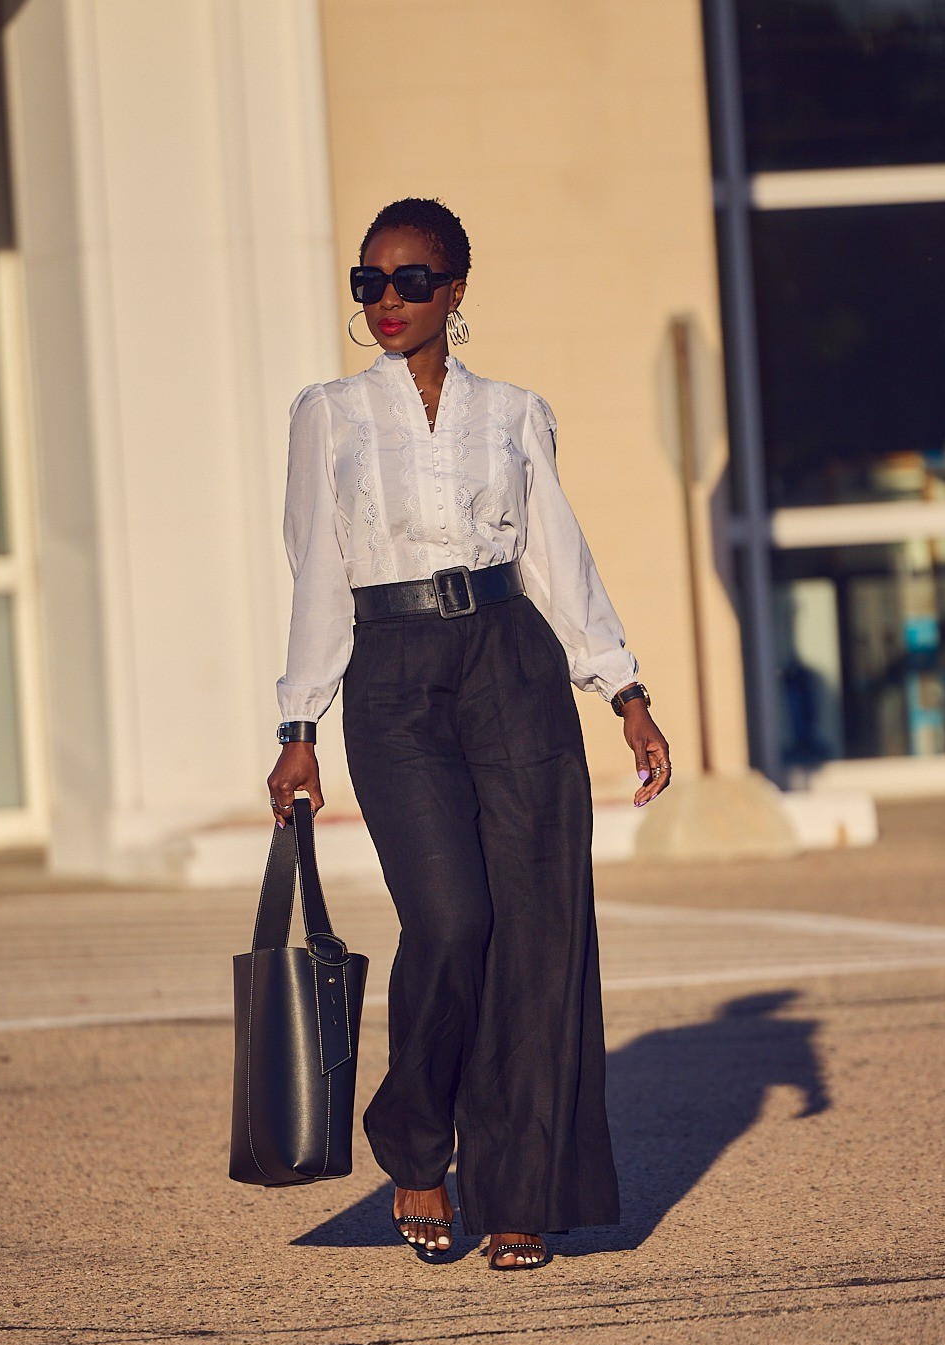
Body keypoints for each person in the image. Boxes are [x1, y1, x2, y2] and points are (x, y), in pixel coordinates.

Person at [267, 198, 671, 1271]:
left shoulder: (513, 412)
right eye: (368, 283)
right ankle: (413, 1144)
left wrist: (623, 692)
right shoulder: (328, 414)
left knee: (537, 936)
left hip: (512, 665)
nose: (385, 303)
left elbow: (554, 556)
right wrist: (299, 719)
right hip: (393, 677)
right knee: (451, 922)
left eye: (409, 282)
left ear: (455, 290)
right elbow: (316, 570)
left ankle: (520, 1188)